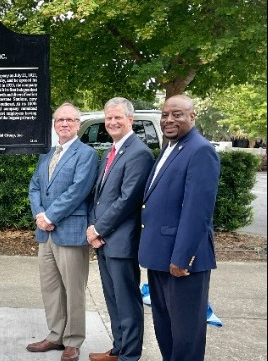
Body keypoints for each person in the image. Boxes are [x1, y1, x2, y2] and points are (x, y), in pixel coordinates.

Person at [138, 94, 220, 361]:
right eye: (165, 114)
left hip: (181, 262)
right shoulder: (171, 147)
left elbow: (197, 211)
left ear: (192, 116)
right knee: (165, 328)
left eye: (177, 114)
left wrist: (181, 258)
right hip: (160, 257)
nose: (169, 120)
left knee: (186, 335)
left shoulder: (200, 150)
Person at [27, 102, 98, 361]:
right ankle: (55, 335)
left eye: (70, 120)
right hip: (45, 233)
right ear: (54, 125)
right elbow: (35, 185)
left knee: (74, 289)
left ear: (79, 124)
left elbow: (78, 191)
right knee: (51, 288)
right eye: (60, 120)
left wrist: (50, 215)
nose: (64, 124)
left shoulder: (86, 154)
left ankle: (73, 340)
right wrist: (39, 215)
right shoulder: (47, 153)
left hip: (70, 231)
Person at [86, 97, 154, 361]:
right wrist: (93, 227)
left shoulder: (139, 153)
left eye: (118, 117)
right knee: (113, 300)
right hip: (103, 241)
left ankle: (130, 355)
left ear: (130, 120)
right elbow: (99, 196)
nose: (113, 122)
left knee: (127, 303)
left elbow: (128, 200)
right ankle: (118, 349)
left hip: (121, 242)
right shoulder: (110, 151)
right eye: (109, 118)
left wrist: (98, 229)